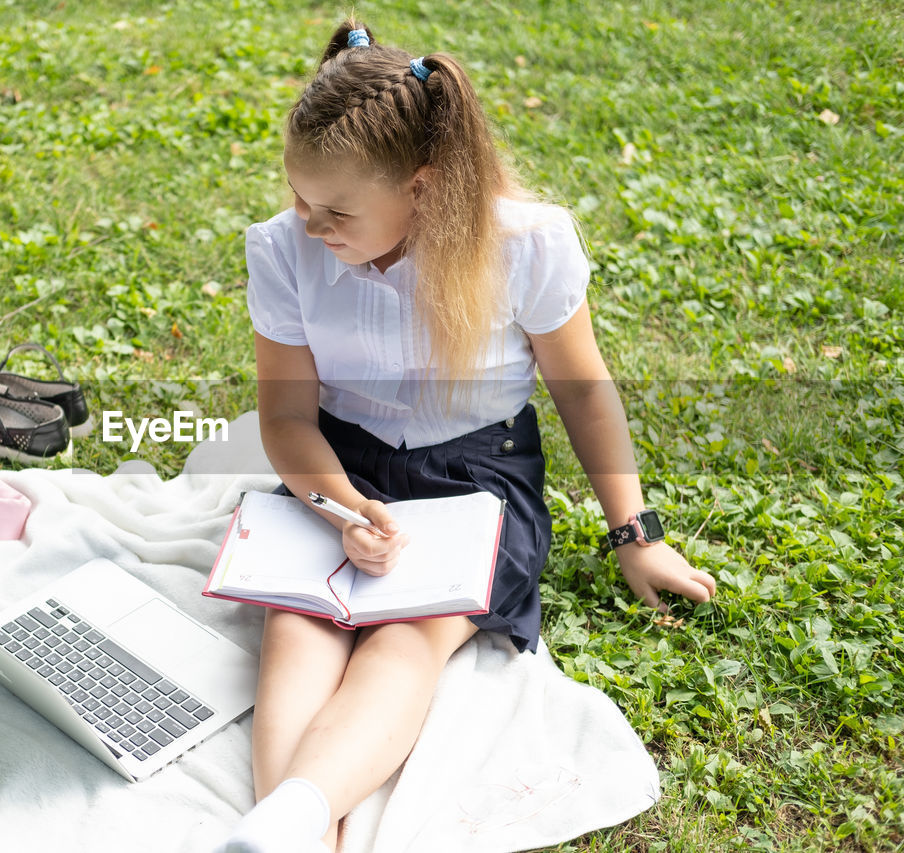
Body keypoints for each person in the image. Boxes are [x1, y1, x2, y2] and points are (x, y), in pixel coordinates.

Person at [213, 19, 718, 853]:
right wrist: (340, 507)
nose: (310, 225)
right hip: (336, 462)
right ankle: (294, 832)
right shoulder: (283, 248)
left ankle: (298, 812)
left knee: (413, 632)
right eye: (300, 199)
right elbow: (286, 419)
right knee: (300, 624)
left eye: (335, 210)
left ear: (422, 186)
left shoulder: (525, 243)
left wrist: (636, 535)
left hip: (478, 478)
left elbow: (584, 395)